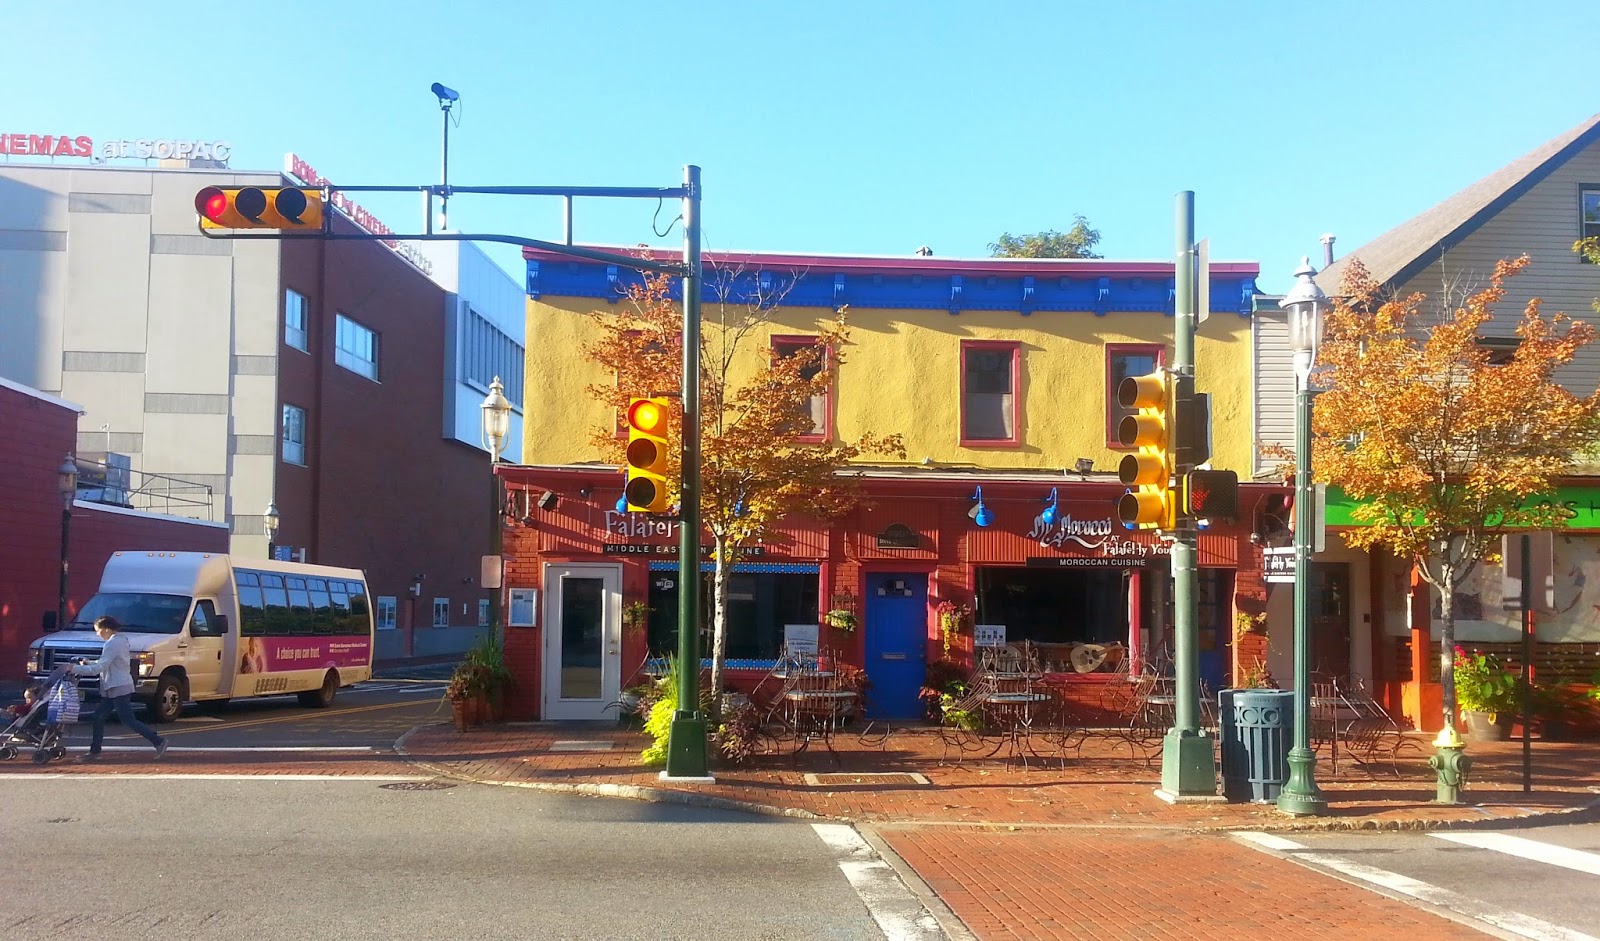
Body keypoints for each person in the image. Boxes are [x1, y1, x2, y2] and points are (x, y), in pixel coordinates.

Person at [70, 615, 167, 761]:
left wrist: (74, 668)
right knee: (99, 716)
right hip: (117, 685)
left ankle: (159, 741)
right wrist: (89, 663)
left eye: (98, 631)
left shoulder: (112, 644)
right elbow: (107, 663)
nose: (97, 634)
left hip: (117, 686)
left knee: (127, 719)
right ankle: (95, 751)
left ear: (107, 629)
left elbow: (101, 667)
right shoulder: (121, 640)